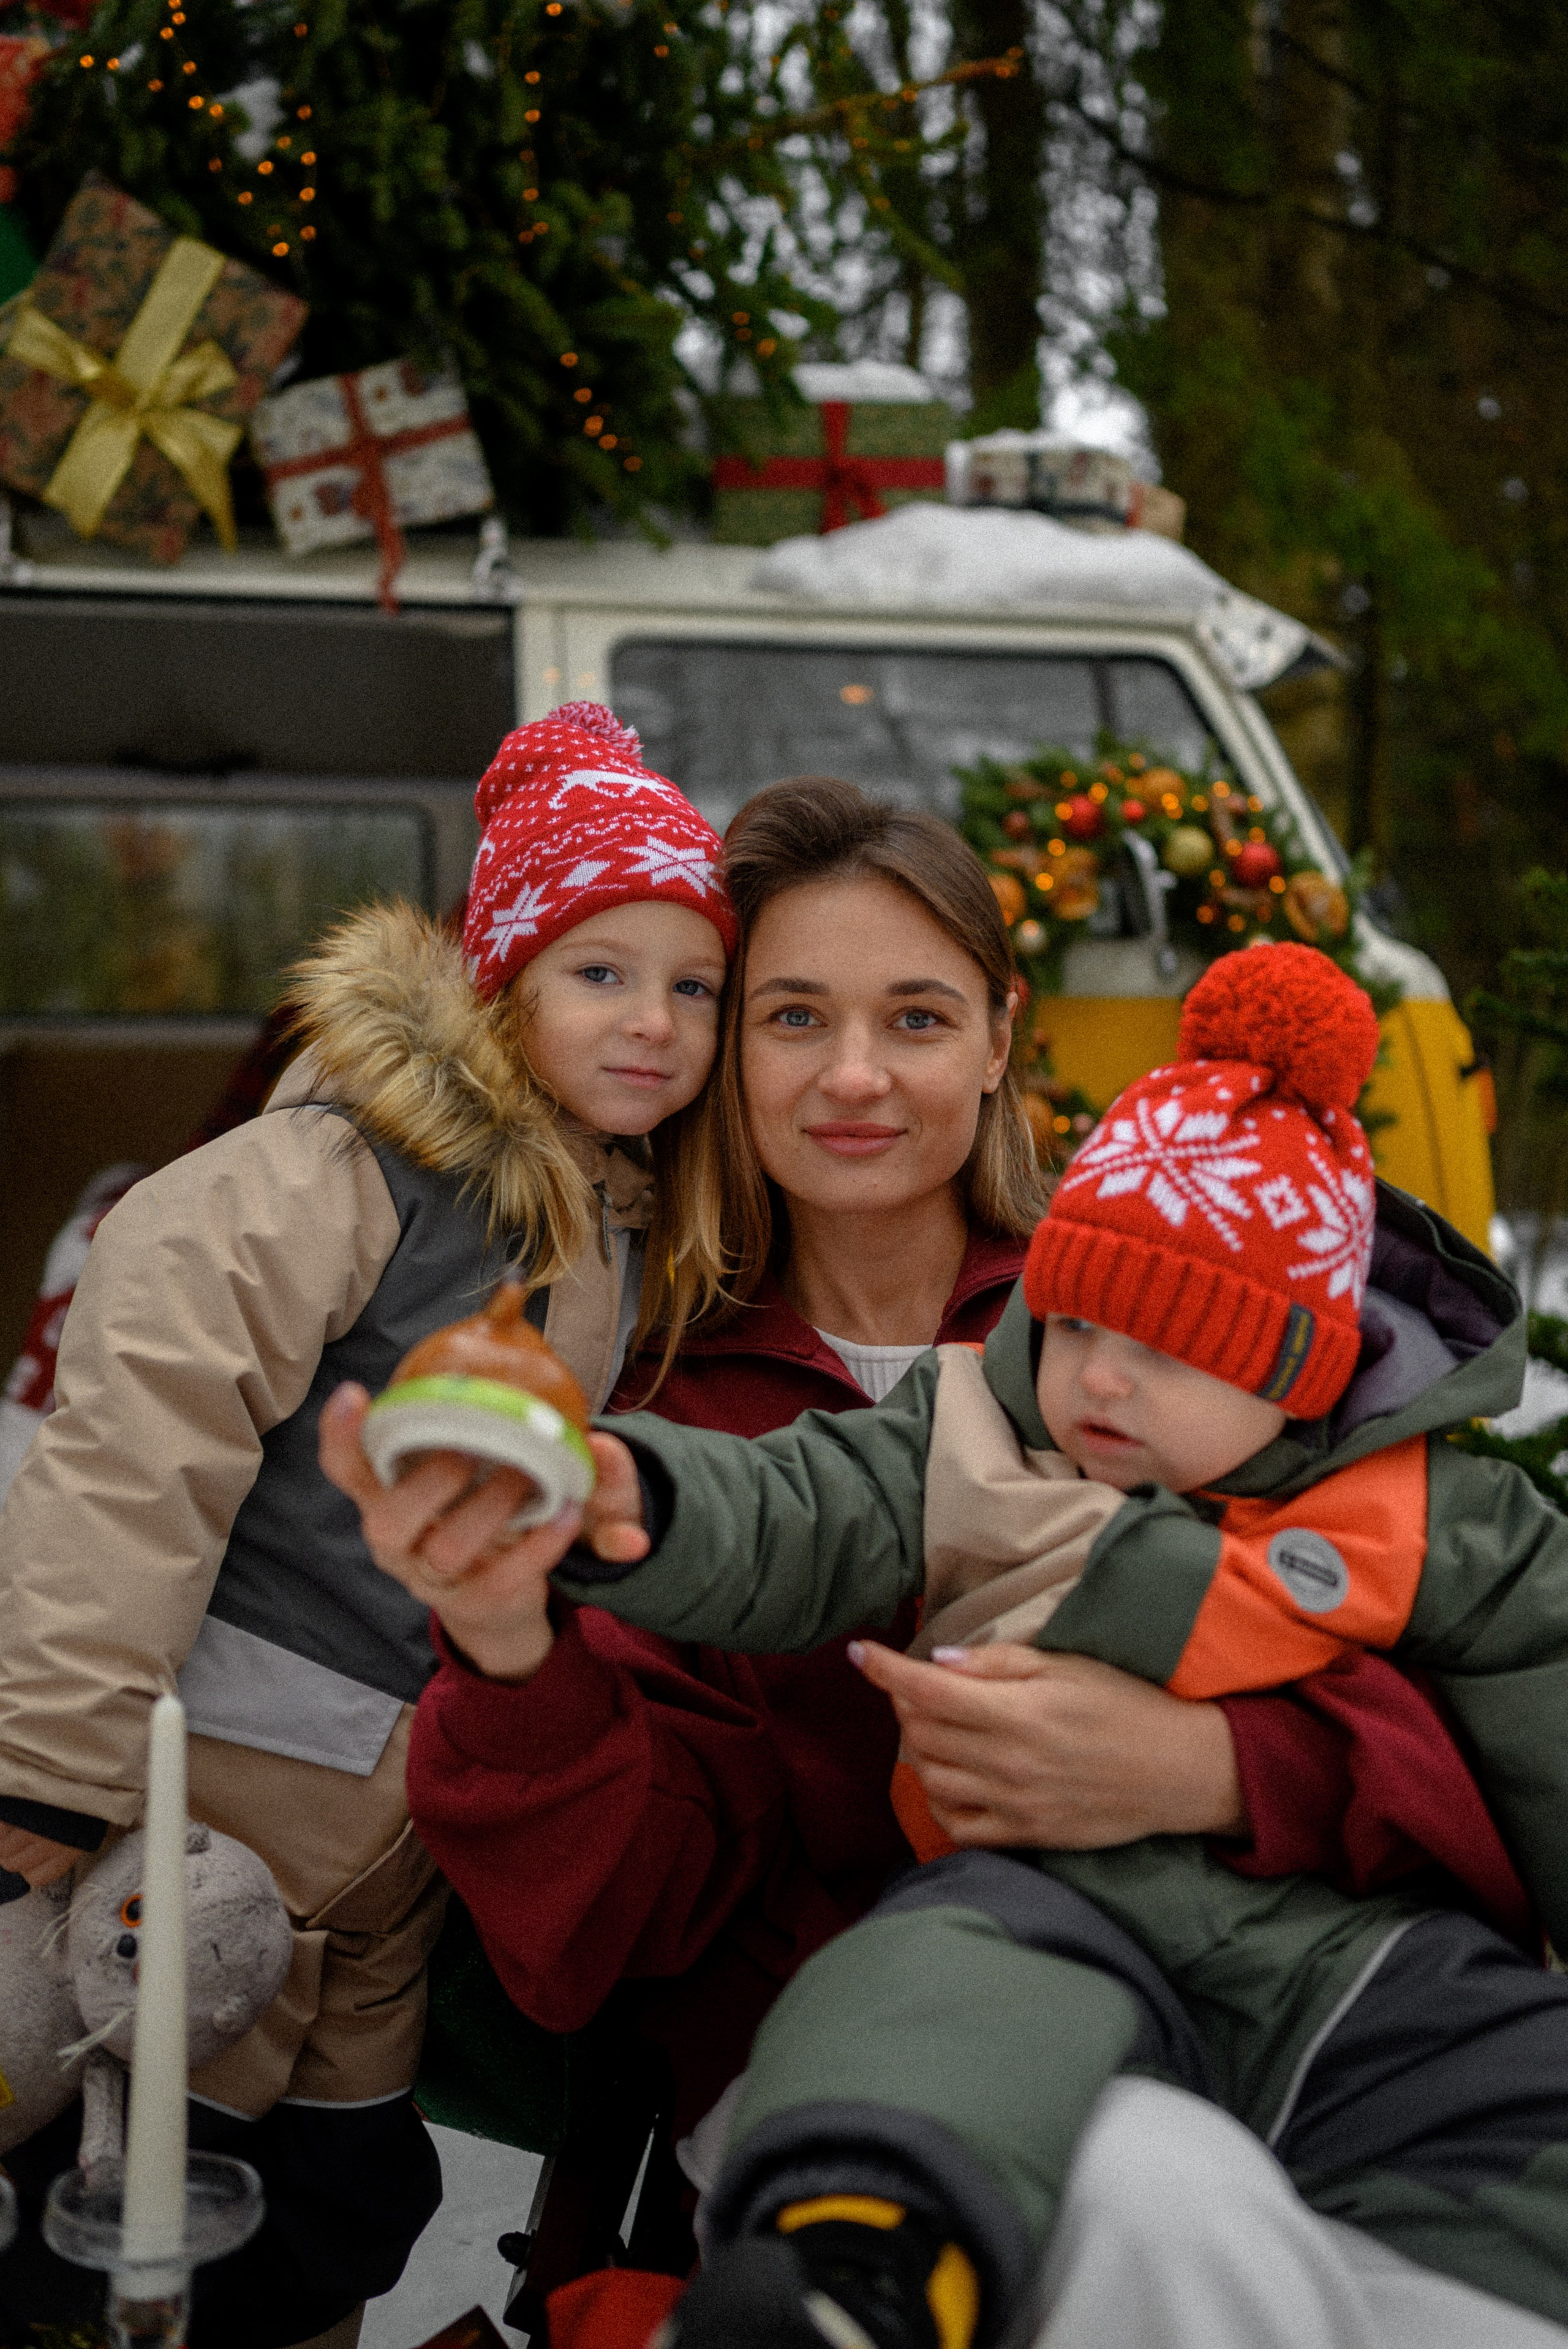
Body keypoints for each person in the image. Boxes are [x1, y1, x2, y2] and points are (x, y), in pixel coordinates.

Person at [347, 940, 1568, 2345]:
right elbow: (794, 1504)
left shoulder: (1431, 1517)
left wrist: (1222, 1764)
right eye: (1077, 1324)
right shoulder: (967, 1430)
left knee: (1518, 2090)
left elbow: (1538, 1708)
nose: (1100, 1379)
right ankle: (863, 2268)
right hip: (1045, 1920)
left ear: (1299, 1372)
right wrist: (629, 1495)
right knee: (907, 2000)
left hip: (1351, 1956)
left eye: (1171, 1353)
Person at [0, 701, 736, 2349]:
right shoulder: (349, 1170)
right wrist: (47, 1759)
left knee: (333, 2199)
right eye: (600, 972)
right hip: (218, 1799)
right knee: (157, 2177)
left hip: (401, 1828)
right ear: (500, 981)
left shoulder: (604, 1213)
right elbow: (140, 1448)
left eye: (692, 984)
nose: (656, 1023)